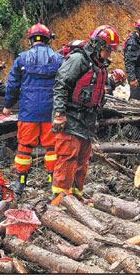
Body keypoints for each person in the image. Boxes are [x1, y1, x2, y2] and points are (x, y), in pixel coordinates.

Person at [50, 25, 119, 201]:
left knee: (82, 162)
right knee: (67, 159)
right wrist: (59, 113)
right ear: (97, 45)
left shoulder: (101, 65)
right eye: (107, 50)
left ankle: (76, 198)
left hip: (87, 120)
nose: (109, 54)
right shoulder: (78, 59)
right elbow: (61, 86)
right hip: (70, 118)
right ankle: (60, 200)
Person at [3, 23, 63, 198]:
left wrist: (7, 106)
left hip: (28, 112)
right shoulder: (58, 58)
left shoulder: (21, 59)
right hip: (50, 112)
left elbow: (12, 85)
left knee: (24, 147)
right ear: (47, 39)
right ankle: (53, 184)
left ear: (30, 40)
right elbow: (65, 84)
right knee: (52, 148)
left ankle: (20, 185)